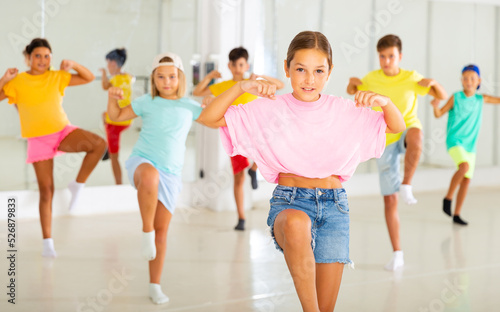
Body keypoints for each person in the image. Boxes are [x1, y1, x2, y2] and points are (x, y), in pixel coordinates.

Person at [197, 31, 405, 312]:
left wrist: (385, 102)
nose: (309, 79)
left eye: (319, 71)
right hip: (291, 201)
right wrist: (241, 87)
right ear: (287, 68)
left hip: (335, 208)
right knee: (297, 224)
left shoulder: (344, 110)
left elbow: (396, 126)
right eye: (300, 70)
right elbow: (208, 117)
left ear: (329, 72)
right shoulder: (269, 108)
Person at [107, 52, 203, 305]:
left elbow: (217, 121)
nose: (166, 81)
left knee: (162, 235)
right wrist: (111, 98)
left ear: (180, 78)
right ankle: (145, 230)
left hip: (172, 174)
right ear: (153, 79)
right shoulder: (146, 101)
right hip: (143, 161)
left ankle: (154, 285)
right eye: (160, 77)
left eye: (172, 76)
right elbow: (116, 116)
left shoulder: (190, 105)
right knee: (149, 177)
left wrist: (218, 100)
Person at [346, 34, 448, 271]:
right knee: (390, 201)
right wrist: (352, 84)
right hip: (385, 138)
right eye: (382, 56)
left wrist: (433, 83)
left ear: (399, 57)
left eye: (391, 56)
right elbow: (353, 90)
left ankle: (407, 184)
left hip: (407, 130)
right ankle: (398, 253)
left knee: (417, 135)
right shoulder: (371, 79)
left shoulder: (411, 77)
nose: (386, 61)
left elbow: (442, 96)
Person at [0, 38, 106, 258]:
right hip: (38, 141)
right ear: (28, 57)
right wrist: (4, 79)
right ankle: (47, 241)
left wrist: (73, 64)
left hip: (61, 132)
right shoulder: (18, 82)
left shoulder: (57, 76)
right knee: (46, 191)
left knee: (98, 144)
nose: (42, 60)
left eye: (47, 56)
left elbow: (87, 78)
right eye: (38, 55)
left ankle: (77, 184)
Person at [193, 47, 284, 231]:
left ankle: (254, 168)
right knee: (238, 179)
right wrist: (210, 75)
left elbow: (280, 85)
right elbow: (197, 92)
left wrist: (260, 77)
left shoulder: (252, 83)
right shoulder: (223, 86)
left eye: (241, 64)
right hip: (234, 134)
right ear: (229, 65)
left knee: (270, 144)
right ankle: (241, 217)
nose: (237, 68)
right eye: (234, 64)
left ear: (246, 65)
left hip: (254, 130)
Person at [431, 64, 500, 226]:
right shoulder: (456, 97)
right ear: (461, 80)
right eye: (465, 78)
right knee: (464, 167)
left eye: (472, 78)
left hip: (470, 145)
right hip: (455, 141)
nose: (469, 81)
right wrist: (435, 107)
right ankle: (447, 198)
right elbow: (439, 114)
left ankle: (457, 214)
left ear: (478, 81)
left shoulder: (480, 99)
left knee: (467, 180)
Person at [99, 48, 134, 184]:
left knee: (114, 157)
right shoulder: (128, 77)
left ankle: (118, 184)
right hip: (127, 118)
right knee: (103, 115)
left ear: (113, 63)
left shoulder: (115, 79)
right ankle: (108, 146)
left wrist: (103, 74)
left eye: (108, 64)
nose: (107, 67)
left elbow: (104, 86)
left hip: (115, 123)